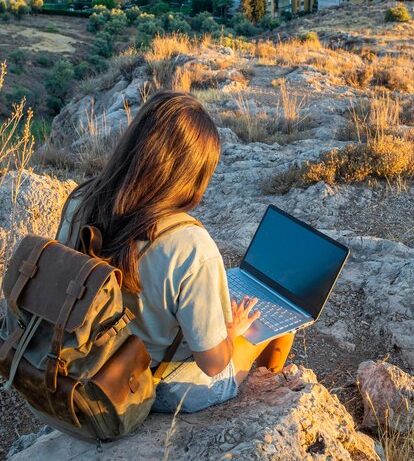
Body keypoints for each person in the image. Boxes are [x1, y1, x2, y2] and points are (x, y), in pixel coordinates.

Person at [56, 91, 295, 413]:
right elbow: (212, 362)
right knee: (278, 325)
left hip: (84, 358)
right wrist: (228, 329)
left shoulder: (82, 200)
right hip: (148, 386)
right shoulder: (190, 246)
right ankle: (267, 408)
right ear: (194, 172)